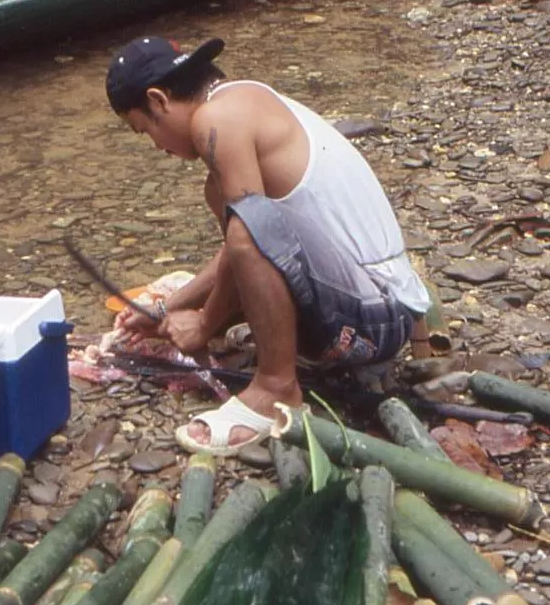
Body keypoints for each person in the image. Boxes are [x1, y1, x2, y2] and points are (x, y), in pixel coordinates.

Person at [105, 33, 430, 454]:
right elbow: (253, 250)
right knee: (233, 210)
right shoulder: (249, 99)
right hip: (389, 311)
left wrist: (203, 327)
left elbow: (251, 237)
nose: (156, 145)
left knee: (246, 223)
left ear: (159, 100)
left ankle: (275, 388)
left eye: (144, 128)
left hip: (374, 323)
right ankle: (256, 360)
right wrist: (172, 307)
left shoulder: (214, 121)